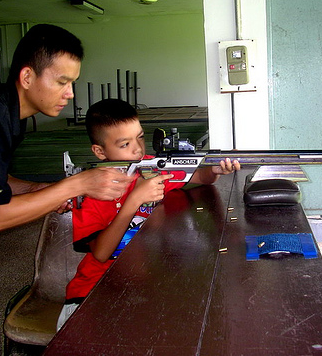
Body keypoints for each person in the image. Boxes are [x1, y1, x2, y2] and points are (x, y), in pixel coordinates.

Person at [0, 24, 132, 354]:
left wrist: (40, 189)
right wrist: (74, 185)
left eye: (72, 82)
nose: (70, 93)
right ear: (28, 77)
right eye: (61, 82)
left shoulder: (6, 111)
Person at [57, 99, 240, 330]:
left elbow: (199, 177)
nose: (137, 149)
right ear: (100, 152)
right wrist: (135, 199)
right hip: (92, 292)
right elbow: (102, 254)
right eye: (124, 144)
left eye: (140, 137)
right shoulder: (92, 191)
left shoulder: (150, 167)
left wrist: (214, 169)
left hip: (141, 285)